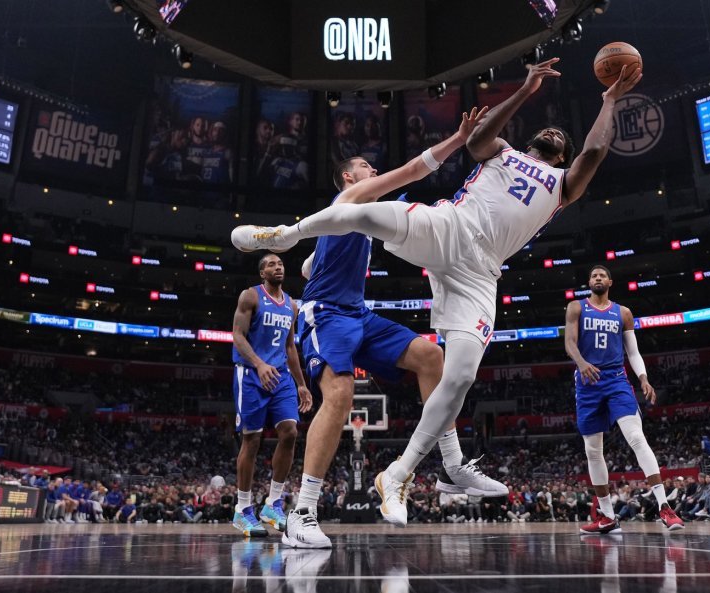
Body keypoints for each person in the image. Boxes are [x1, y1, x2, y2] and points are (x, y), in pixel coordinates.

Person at [231, 59, 641, 531]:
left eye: (559, 139)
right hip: (450, 227)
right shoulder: (503, 151)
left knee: (455, 370)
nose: (552, 135)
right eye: (544, 131)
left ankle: (411, 472)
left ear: (562, 155)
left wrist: (609, 101)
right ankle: (285, 234)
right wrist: (525, 90)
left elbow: (594, 150)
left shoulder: (564, 184)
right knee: (362, 213)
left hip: (480, 274)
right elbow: (475, 139)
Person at [246, 107, 502, 549]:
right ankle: (303, 512)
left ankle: (452, 463)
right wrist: (459, 139)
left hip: (358, 314)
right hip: (326, 314)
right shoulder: (349, 199)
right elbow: (411, 170)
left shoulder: (359, 217)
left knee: (431, 357)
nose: (374, 170)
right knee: (341, 395)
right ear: (349, 178)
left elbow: (422, 218)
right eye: (366, 167)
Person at [567, 265, 684, 534]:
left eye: (601, 275)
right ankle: (607, 516)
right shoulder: (576, 307)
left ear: (610, 281)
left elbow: (633, 351)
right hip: (587, 382)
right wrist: (582, 362)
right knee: (593, 451)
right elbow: (570, 343)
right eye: (593, 275)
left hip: (616, 379)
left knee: (636, 437)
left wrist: (643, 378)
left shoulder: (623, 313)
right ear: (589, 282)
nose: (597, 278)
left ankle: (664, 507)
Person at [231, 253, 312, 538]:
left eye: (280, 263)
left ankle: (272, 504)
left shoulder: (291, 304)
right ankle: (242, 510)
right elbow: (237, 335)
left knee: (290, 432)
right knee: (252, 440)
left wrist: (301, 384)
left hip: (281, 377)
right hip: (251, 374)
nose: (278, 267)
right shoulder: (250, 296)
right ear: (262, 272)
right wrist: (259, 363)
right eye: (271, 264)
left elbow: (291, 347)